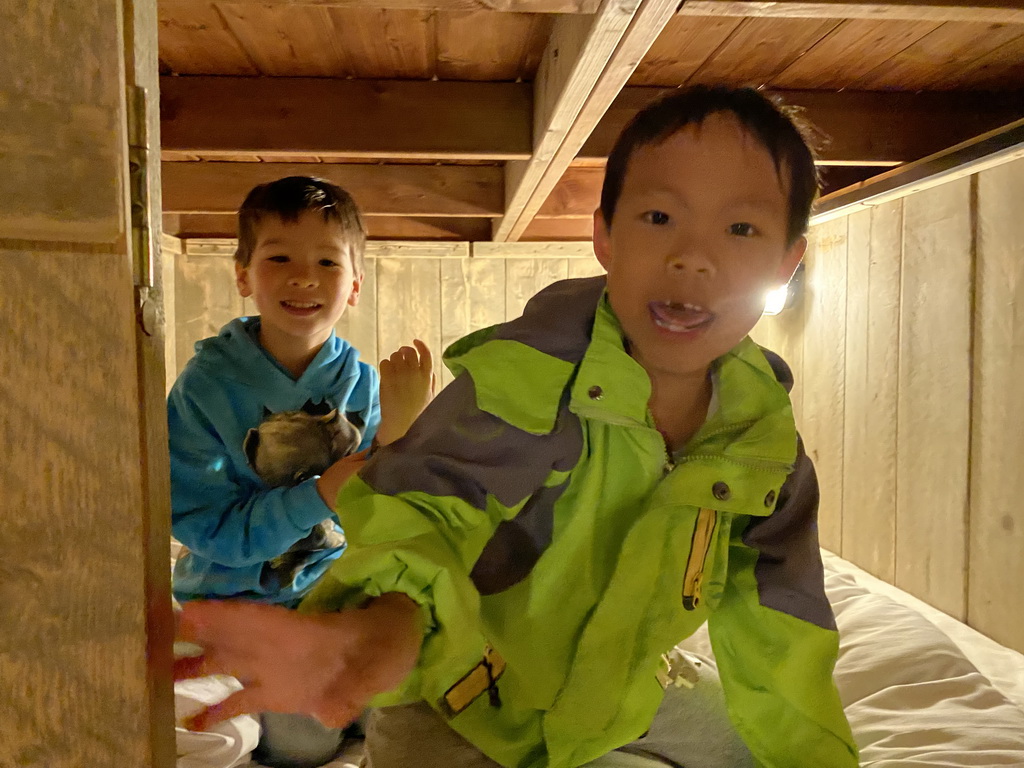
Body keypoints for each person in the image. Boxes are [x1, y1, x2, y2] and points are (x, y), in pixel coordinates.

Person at [174, 87, 860, 768]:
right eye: (658, 217)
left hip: (607, 682)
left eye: (740, 229)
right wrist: (377, 632)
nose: (694, 257)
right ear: (604, 236)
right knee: (308, 734)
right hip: (460, 682)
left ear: (784, 265)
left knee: (754, 750)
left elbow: (784, 625)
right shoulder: (529, 378)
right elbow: (424, 514)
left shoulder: (759, 440)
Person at [168, 176, 432, 768]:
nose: (303, 277)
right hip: (231, 613)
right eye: (279, 257)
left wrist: (405, 429)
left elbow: (402, 513)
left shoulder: (366, 386)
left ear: (355, 285)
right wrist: (316, 496)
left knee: (413, 706)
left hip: (336, 615)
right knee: (197, 729)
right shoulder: (205, 389)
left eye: (327, 262)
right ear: (244, 275)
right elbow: (204, 527)